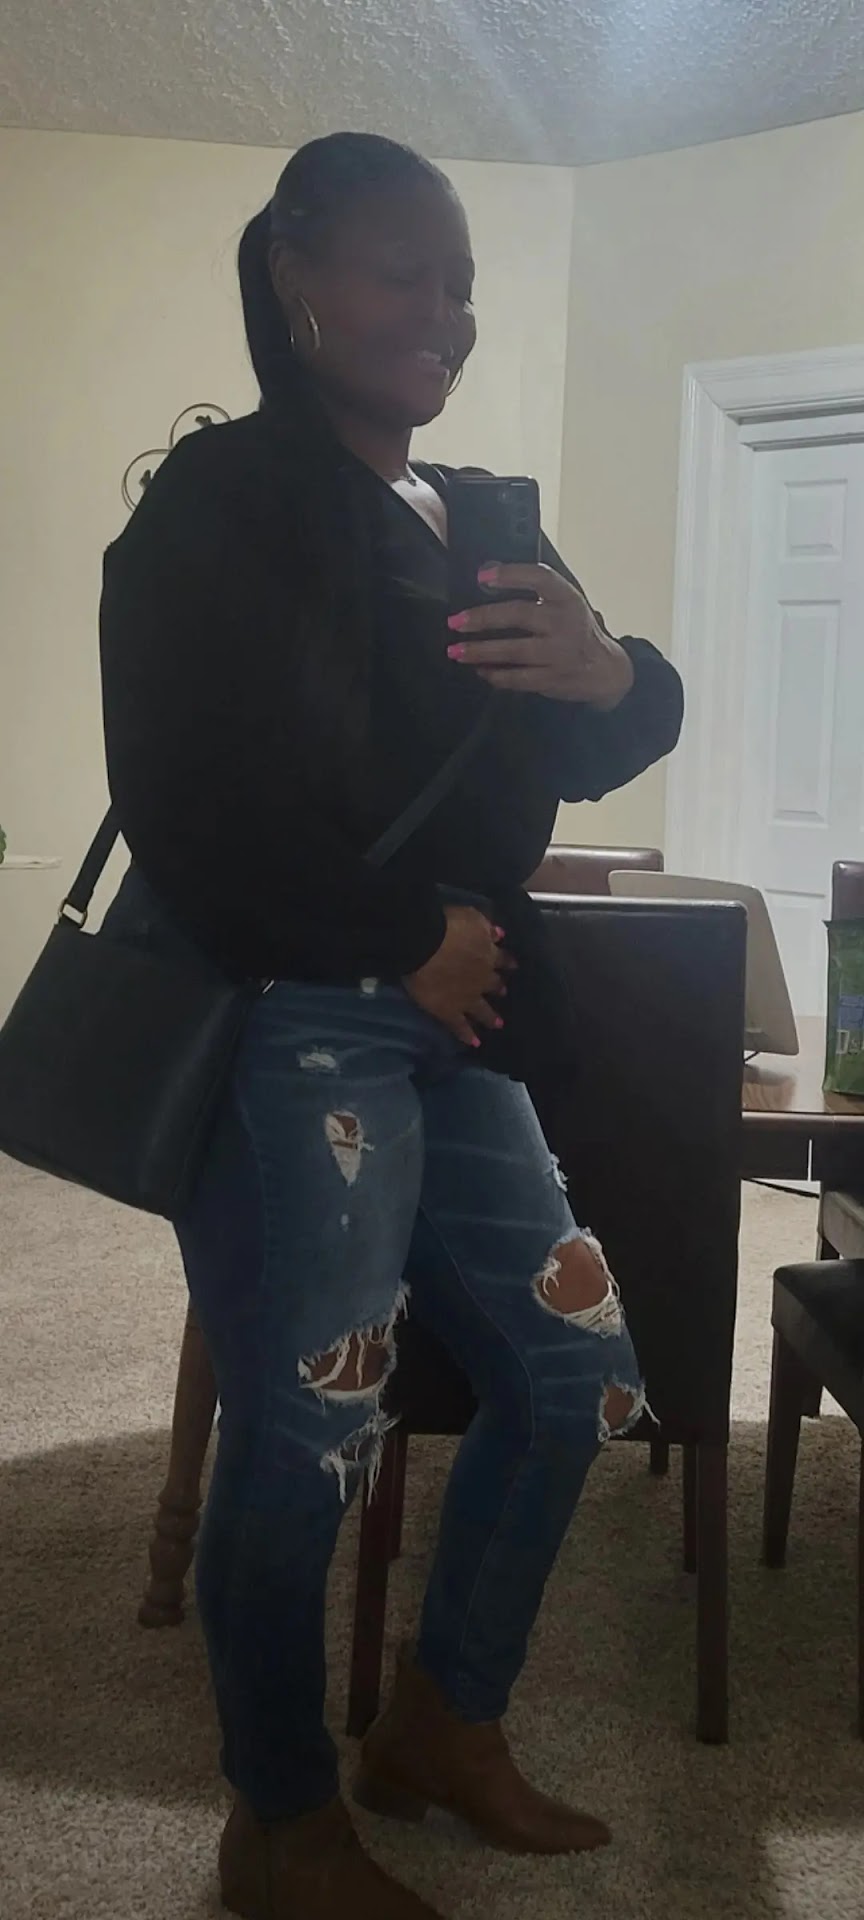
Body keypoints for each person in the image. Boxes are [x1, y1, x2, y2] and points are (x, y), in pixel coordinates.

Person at [100, 133, 684, 1920]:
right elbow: (183, 799)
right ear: (297, 277)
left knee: (575, 1376)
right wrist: (400, 933)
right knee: (315, 1430)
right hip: (299, 1017)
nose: (446, 313)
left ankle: (440, 1721)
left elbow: (598, 730)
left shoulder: (485, 514)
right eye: (404, 274)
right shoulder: (222, 498)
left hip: (469, 1018)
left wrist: (619, 674)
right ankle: (279, 1821)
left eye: (463, 286)